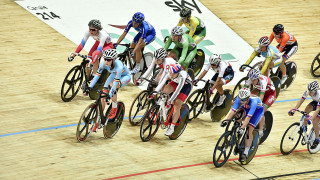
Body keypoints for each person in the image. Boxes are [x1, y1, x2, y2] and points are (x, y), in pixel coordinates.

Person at [85, 49, 131, 132]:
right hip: (114, 75)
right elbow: (97, 76)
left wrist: (109, 96)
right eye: (104, 58)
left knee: (111, 86)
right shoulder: (103, 64)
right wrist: (89, 87)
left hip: (125, 77)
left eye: (108, 60)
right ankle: (98, 120)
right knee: (102, 95)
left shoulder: (119, 66)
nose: (106, 61)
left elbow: (115, 84)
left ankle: (114, 108)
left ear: (113, 60)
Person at [68, 19, 113, 95]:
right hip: (97, 43)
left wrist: (93, 62)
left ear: (98, 30)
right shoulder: (88, 32)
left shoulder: (103, 35)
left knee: (94, 54)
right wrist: (74, 54)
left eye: (93, 30)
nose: (91, 31)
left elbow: (98, 50)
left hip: (107, 46)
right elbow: (82, 44)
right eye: (90, 29)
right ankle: (87, 80)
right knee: (87, 60)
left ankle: (95, 76)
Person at [151, 63, 192, 136]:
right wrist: (154, 93)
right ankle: (162, 109)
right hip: (176, 82)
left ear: (178, 73)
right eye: (171, 73)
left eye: (173, 74)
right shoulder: (169, 72)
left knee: (177, 104)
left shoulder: (182, 76)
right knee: (164, 91)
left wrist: (170, 101)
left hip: (185, 86)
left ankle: (172, 127)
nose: (171, 75)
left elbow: (177, 91)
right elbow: (161, 83)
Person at [226, 87, 264, 162]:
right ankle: (238, 136)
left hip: (257, 111)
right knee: (237, 115)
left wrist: (243, 127)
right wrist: (226, 121)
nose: (242, 101)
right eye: (240, 99)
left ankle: (246, 153)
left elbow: (248, 117)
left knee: (248, 131)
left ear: (248, 98)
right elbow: (233, 111)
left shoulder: (253, 102)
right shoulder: (240, 98)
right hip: (246, 107)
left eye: (244, 100)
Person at [244, 69, 276, 138]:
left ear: (258, 78)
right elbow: (243, 91)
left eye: (254, 80)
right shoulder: (250, 79)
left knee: (261, 110)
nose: (252, 82)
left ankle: (261, 130)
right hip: (259, 90)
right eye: (251, 80)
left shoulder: (263, 81)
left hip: (270, 94)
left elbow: (261, 98)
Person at [289, 81, 320, 149]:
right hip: (316, 102)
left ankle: (317, 139)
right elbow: (301, 101)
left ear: (315, 91)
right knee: (306, 110)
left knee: (315, 122)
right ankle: (304, 128)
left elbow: (318, 110)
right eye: (309, 91)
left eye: (311, 92)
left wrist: (311, 119)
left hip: (319, 106)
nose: (309, 93)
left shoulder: (319, 95)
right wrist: (294, 110)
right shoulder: (308, 91)